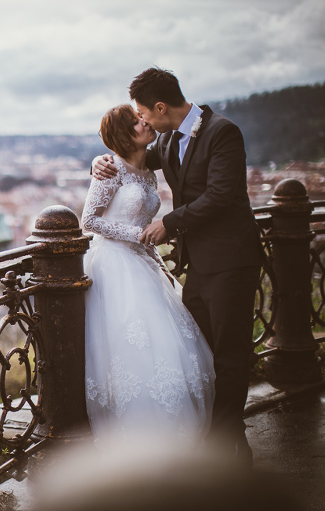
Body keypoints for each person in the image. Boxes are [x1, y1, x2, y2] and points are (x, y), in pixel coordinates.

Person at [92, 67, 262, 464]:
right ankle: (221, 439)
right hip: (199, 265)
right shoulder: (169, 142)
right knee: (200, 353)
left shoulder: (223, 132)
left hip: (232, 261)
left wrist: (168, 223)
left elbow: (221, 195)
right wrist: (99, 163)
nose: (142, 119)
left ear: (160, 107)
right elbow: (130, 158)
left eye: (142, 112)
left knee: (231, 354)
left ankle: (225, 449)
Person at [81, 104, 215, 448]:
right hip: (115, 265)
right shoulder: (111, 170)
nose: (145, 122)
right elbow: (89, 221)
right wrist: (136, 235)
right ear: (125, 134)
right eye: (137, 121)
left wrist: (149, 247)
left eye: (143, 117)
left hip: (142, 261)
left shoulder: (147, 170)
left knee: (167, 342)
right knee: (132, 344)